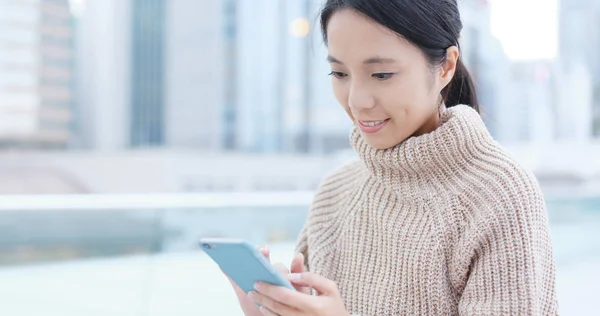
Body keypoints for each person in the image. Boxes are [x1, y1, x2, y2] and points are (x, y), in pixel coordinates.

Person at [228, 0, 559, 315]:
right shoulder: (335, 193)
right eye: (340, 74)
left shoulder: (499, 194)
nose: (357, 101)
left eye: (381, 74)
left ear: (445, 65)